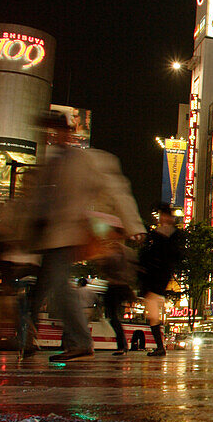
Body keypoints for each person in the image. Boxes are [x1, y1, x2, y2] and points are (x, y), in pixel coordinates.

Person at [19, 111, 144, 361]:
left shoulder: (88, 160)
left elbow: (117, 190)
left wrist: (134, 225)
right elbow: (31, 202)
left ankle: (79, 341)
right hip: (44, 237)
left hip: (67, 235)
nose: (52, 136)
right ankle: (26, 339)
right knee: (38, 291)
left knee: (57, 285)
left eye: (56, 131)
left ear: (69, 132)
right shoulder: (49, 164)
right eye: (48, 132)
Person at [137, 203, 185, 356]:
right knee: (152, 311)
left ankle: (160, 346)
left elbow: (172, 254)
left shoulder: (168, 235)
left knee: (152, 310)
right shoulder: (159, 234)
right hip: (155, 274)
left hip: (158, 275)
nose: (162, 218)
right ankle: (160, 346)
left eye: (164, 215)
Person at [94, 226, 137, 355]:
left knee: (112, 316)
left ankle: (122, 345)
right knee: (112, 316)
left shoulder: (122, 252)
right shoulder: (117, 250)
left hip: (118, 286)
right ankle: (122, 345)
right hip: (115, 286)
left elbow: (128, 270)